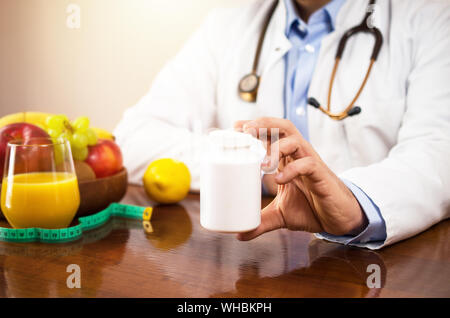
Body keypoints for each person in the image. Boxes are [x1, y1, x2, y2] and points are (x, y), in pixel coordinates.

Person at [114, 0, 450, 249]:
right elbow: (134, 138)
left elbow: (439, 154)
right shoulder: (231, 20)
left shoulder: (430, 15)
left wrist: (352, 203)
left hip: (365, 266)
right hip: (254, 266)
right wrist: (262, 169)